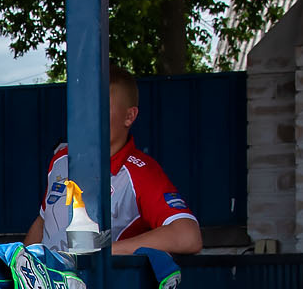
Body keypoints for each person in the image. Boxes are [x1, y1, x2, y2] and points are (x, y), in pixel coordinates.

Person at [23, 65, 202, 256]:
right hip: (48, 275)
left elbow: (188, 236)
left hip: (95, 276)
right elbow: (44, 221)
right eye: (84, 107)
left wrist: (103, 252)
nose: (89, 117)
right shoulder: (61, 159)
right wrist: (19, 265)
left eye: (100, 108)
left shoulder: (139, 173)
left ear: (129, 116)